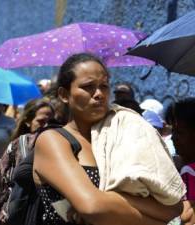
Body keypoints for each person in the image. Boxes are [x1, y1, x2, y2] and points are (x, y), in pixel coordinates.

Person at [32, 53, 185, 225]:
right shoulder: (53, 141)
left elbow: (173, 208)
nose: (99, 94)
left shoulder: (120, 137)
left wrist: (105, 201)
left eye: (104, 86)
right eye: (88, 86)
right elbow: (92, 207)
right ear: (64, 95)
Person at [169, 98, 195, 225]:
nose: (173, 138)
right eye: (172, 131)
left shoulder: (189, 171)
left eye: (179, 132)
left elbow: (187, 218)